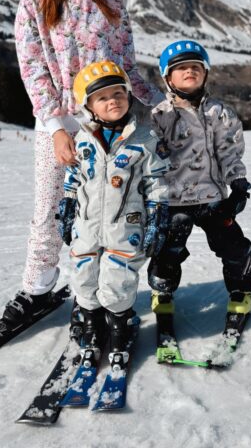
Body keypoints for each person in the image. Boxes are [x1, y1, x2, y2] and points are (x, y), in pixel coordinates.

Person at [0, 0, 163, 343]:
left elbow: (126, 66)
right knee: (49, 210)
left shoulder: (110, 2)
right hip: (60, 128)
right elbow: (34, 71)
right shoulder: (33, 5)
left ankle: (106, 295)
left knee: (110, 213)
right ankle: (37, 289)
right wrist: (57, 128)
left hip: (111, 128)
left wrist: (161, 106)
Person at [57, 61, 170, 359]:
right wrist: (67, 203)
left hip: (125, 227)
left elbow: (156, 181)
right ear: (89, 106)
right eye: (103, 97)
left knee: (118, 281)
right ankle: (92, 323)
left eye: (119, 93)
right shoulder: (82, 140)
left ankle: (120, 325)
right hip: (87, 226)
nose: (113, 101)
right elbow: (74, 177)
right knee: (84, 277)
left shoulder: (144, 139)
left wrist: (158, 214)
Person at [147, 40, 251, 322]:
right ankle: (163, 289)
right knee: (167, 251)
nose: (190, 72)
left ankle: (243, 288)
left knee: (233, 246)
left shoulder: (219, 113)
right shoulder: (159, 116)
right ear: (167, 77)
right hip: (172, 201)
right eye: (181, 68)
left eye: (196, 67)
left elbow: (230, 152)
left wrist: (239, 183)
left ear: (205, 73)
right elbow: (148, 160)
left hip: (213, 198)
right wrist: (149, 197)